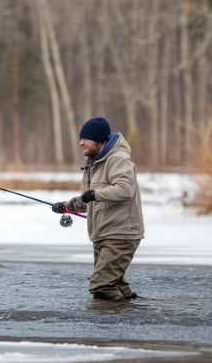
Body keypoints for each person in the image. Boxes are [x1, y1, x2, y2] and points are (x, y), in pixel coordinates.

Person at [52, 117, 144, 301]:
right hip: (104, 234)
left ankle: (108, 326)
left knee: (101, 285)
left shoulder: (118, 159)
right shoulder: (94, 163)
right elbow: (90, 198)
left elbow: (125, 190)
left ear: (98, 140)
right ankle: (126, 314)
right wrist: (67, 206)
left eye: (85, 138)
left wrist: (95, 194)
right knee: (114, 283)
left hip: (121, 234)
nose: (81, 143)